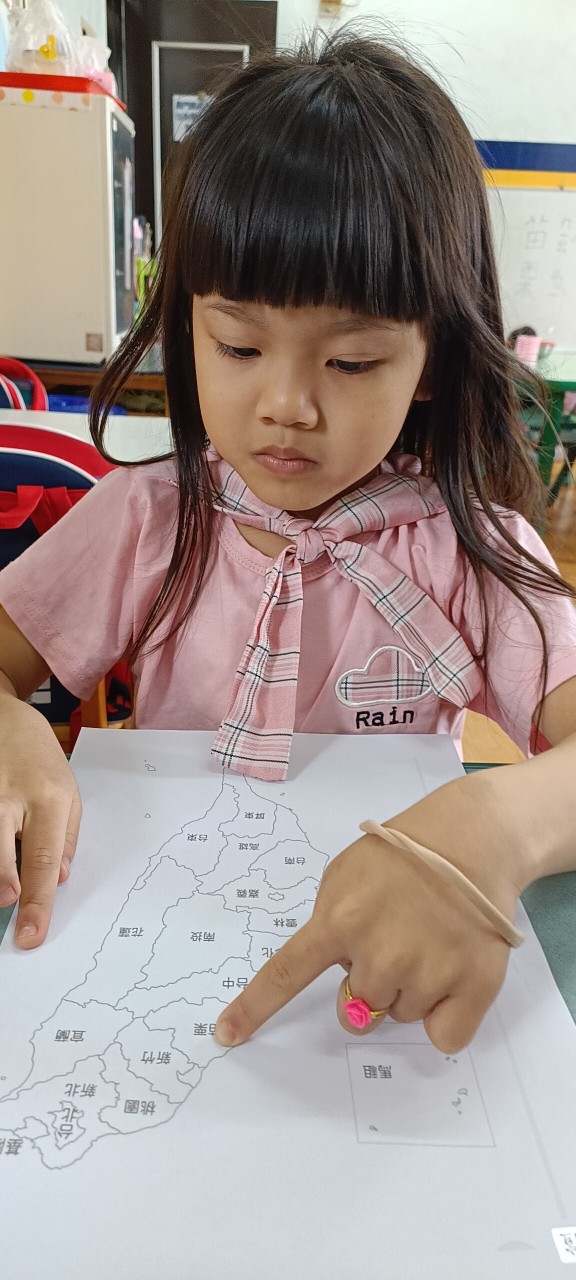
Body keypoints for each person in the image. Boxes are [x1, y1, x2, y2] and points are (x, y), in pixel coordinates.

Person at [1, 32, 575, 1058]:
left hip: (385, 975)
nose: (286, 405)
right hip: (160, 938)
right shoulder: (149, 518)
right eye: (238, 344)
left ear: (433, 361)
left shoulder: (474, 553)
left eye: (351, 361)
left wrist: (501, 826)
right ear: (187, 328)